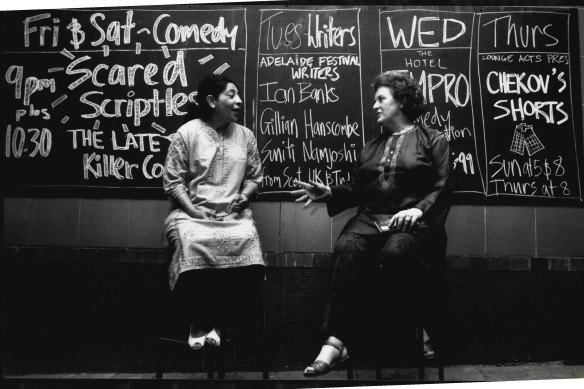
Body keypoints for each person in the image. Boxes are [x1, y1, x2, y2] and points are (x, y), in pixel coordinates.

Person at [292, 71, 453, 377]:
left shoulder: (434, 140)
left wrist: (419, 210)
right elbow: (356, 188)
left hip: (415, 224)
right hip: (371, 219)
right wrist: (329, 193)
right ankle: (336, 342)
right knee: (347, 247)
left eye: (382, 99)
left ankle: (417, 328)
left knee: (396, 253)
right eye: (375, 100)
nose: (375, 106)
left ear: (402, 101)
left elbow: (444, 186)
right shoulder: (371, 146)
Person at [163, 74, 264, 350]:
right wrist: (194, 211)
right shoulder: (188, 133)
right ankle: (201, 320)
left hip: (233, 217)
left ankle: (220, 320)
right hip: (190, 215)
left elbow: (256, 177)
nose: (239, 100)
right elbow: (173, 181)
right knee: (194, 242)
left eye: (238, 95)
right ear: (211, 100)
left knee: (249, 243)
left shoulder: (246, 136)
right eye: (231, 95)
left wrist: (244, 195)